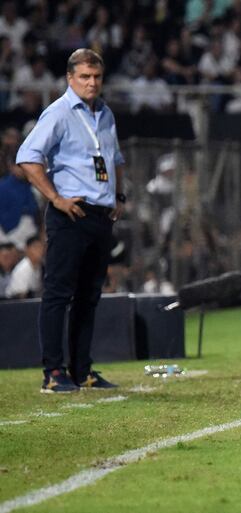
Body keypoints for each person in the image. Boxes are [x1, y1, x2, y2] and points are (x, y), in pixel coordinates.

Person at [16, 48, 124, 393]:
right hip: (71, 214)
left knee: (89, 296)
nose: (92, 83)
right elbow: (28, 157)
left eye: (97, 77)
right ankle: (52, 371)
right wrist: (56, 198)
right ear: (69, 78)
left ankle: (82, 370)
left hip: (100, 215)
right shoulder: (59, 112)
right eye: (84, 77)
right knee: (59, 294)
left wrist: (119, 195)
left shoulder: (105, 113)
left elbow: (115, 158)